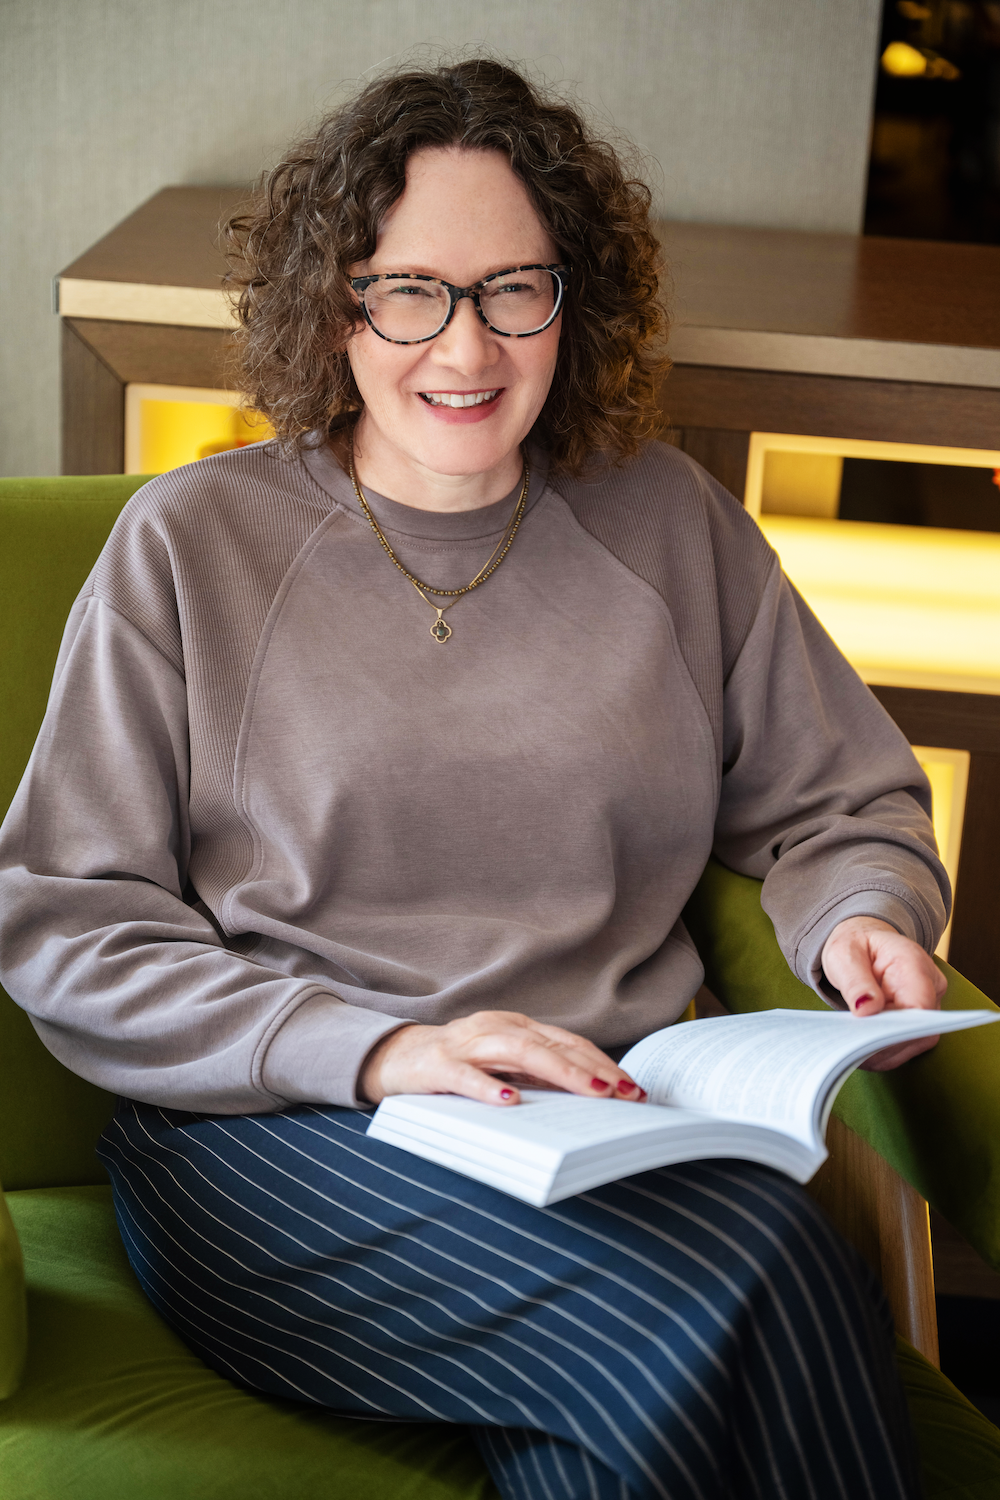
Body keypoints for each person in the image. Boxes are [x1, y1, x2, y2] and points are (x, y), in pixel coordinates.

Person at [0, 58, 950, 1500]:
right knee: (731, 1301)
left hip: (611, 1132)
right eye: (412, 290)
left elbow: (840, 798)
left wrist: (863, 917)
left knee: (764, 1275)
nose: (469, 346)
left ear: (575, 301)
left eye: (516, 288)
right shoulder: (191, 545)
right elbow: (66, 920)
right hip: (283, 1142)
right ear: (337, 304)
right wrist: (379, 1049)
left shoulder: (672, 524)